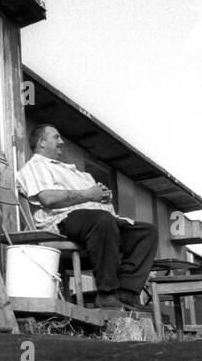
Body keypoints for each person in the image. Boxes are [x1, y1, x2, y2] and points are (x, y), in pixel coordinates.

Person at [17, 124, 157, 309]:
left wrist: (103, 197)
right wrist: (90, 195)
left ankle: (126, 293)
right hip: (62, 222)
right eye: (56, 137)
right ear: (41, 142)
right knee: (101, 220)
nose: (62, 141)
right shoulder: (36, 166)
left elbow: (97, 201)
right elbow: (48, 199)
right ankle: (107, 294)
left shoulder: (76, 172)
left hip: (96, 224)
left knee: (146, 232)